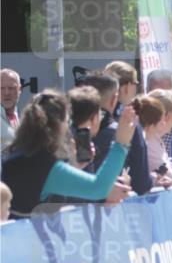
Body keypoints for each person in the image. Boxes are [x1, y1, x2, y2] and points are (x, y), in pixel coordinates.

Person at [1, 89, 137, 218]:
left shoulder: (15, 154)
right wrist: (121, 144)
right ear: (59, 125)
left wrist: (74, 167)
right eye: (67, 122)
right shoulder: (45, 164)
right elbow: (98, 188)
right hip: (34, 239)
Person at [103, 61, 150, 193]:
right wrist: (153, 180)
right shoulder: (129, 119)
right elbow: (141, 181)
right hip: (121, 200)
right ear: (127, 87)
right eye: (136, 83)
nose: (136, 88)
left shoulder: (88, 118)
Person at [1, 68, 22, 153]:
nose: (6, 93)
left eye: (11, 88)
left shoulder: (16, 117)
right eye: (1, 88)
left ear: (19, 90)